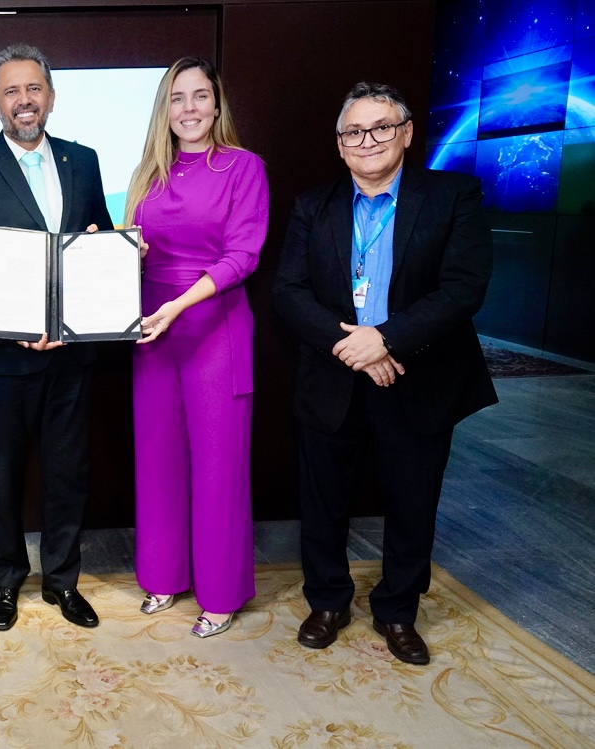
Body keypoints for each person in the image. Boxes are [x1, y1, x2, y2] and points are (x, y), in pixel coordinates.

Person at [272, 82, 496, 665]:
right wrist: (353, 347)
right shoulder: (312, 205)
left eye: (380, 127)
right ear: (340, 144)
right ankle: (327, 602)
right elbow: (288, 291)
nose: (366, 140)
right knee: (323, 500)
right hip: (333, 376)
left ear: (406, 132)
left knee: (413, 500)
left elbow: (464, 287)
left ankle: (398, 611)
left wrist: (387, 339)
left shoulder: (454, 195)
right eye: (353, 131)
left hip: (417, 376)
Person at [0, 43, 113, 632]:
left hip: (72, 354)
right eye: (11, 91)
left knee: (69, 470)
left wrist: (113, 249)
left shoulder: (83, 160)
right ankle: (7, 581)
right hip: (2, 356)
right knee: (3, 473)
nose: (25, 100)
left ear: (51, 96)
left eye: (34, 88)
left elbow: (96, 241)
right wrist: (22, 329)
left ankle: (63, 581)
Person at [125, 58, 268, 637]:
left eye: (200, 96)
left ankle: (221, 594)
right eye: (177, 98)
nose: (189, 108)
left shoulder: (243, 167)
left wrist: (179, 305)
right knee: (156, 458)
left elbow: (243, 257)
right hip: (153, 331)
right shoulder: (147, 173)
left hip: (215, 329)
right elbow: (138, 246)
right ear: (165, 108)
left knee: (219, 465)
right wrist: (109, 251)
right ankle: (163, 577)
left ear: (217, 104)